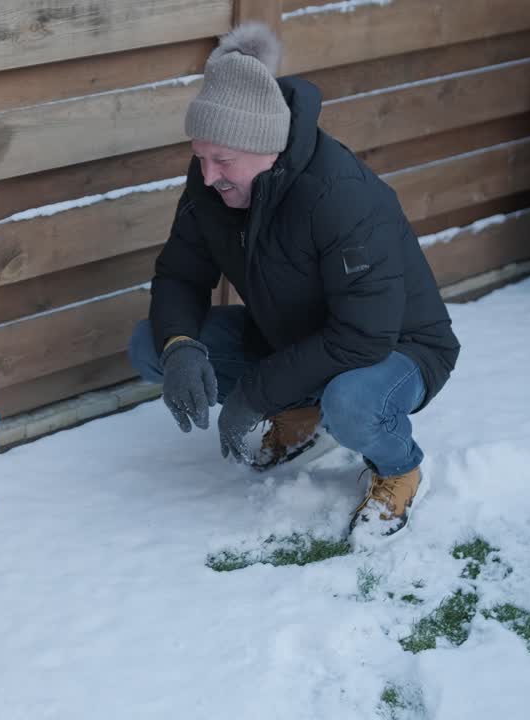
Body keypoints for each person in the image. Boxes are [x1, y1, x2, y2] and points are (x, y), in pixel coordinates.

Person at [127, 23, 460, 538]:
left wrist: (253, 396)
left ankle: (399, 468)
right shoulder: (212, 184)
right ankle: (302, 410)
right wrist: (179, 347)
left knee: (351, 403)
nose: (208, 173)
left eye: (223, 161)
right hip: (293, 335)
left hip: (397, 348)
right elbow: (179, 273)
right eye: (200, 156)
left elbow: (362, 337)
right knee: (148, 345)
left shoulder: (337, 195)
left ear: (266, 148)